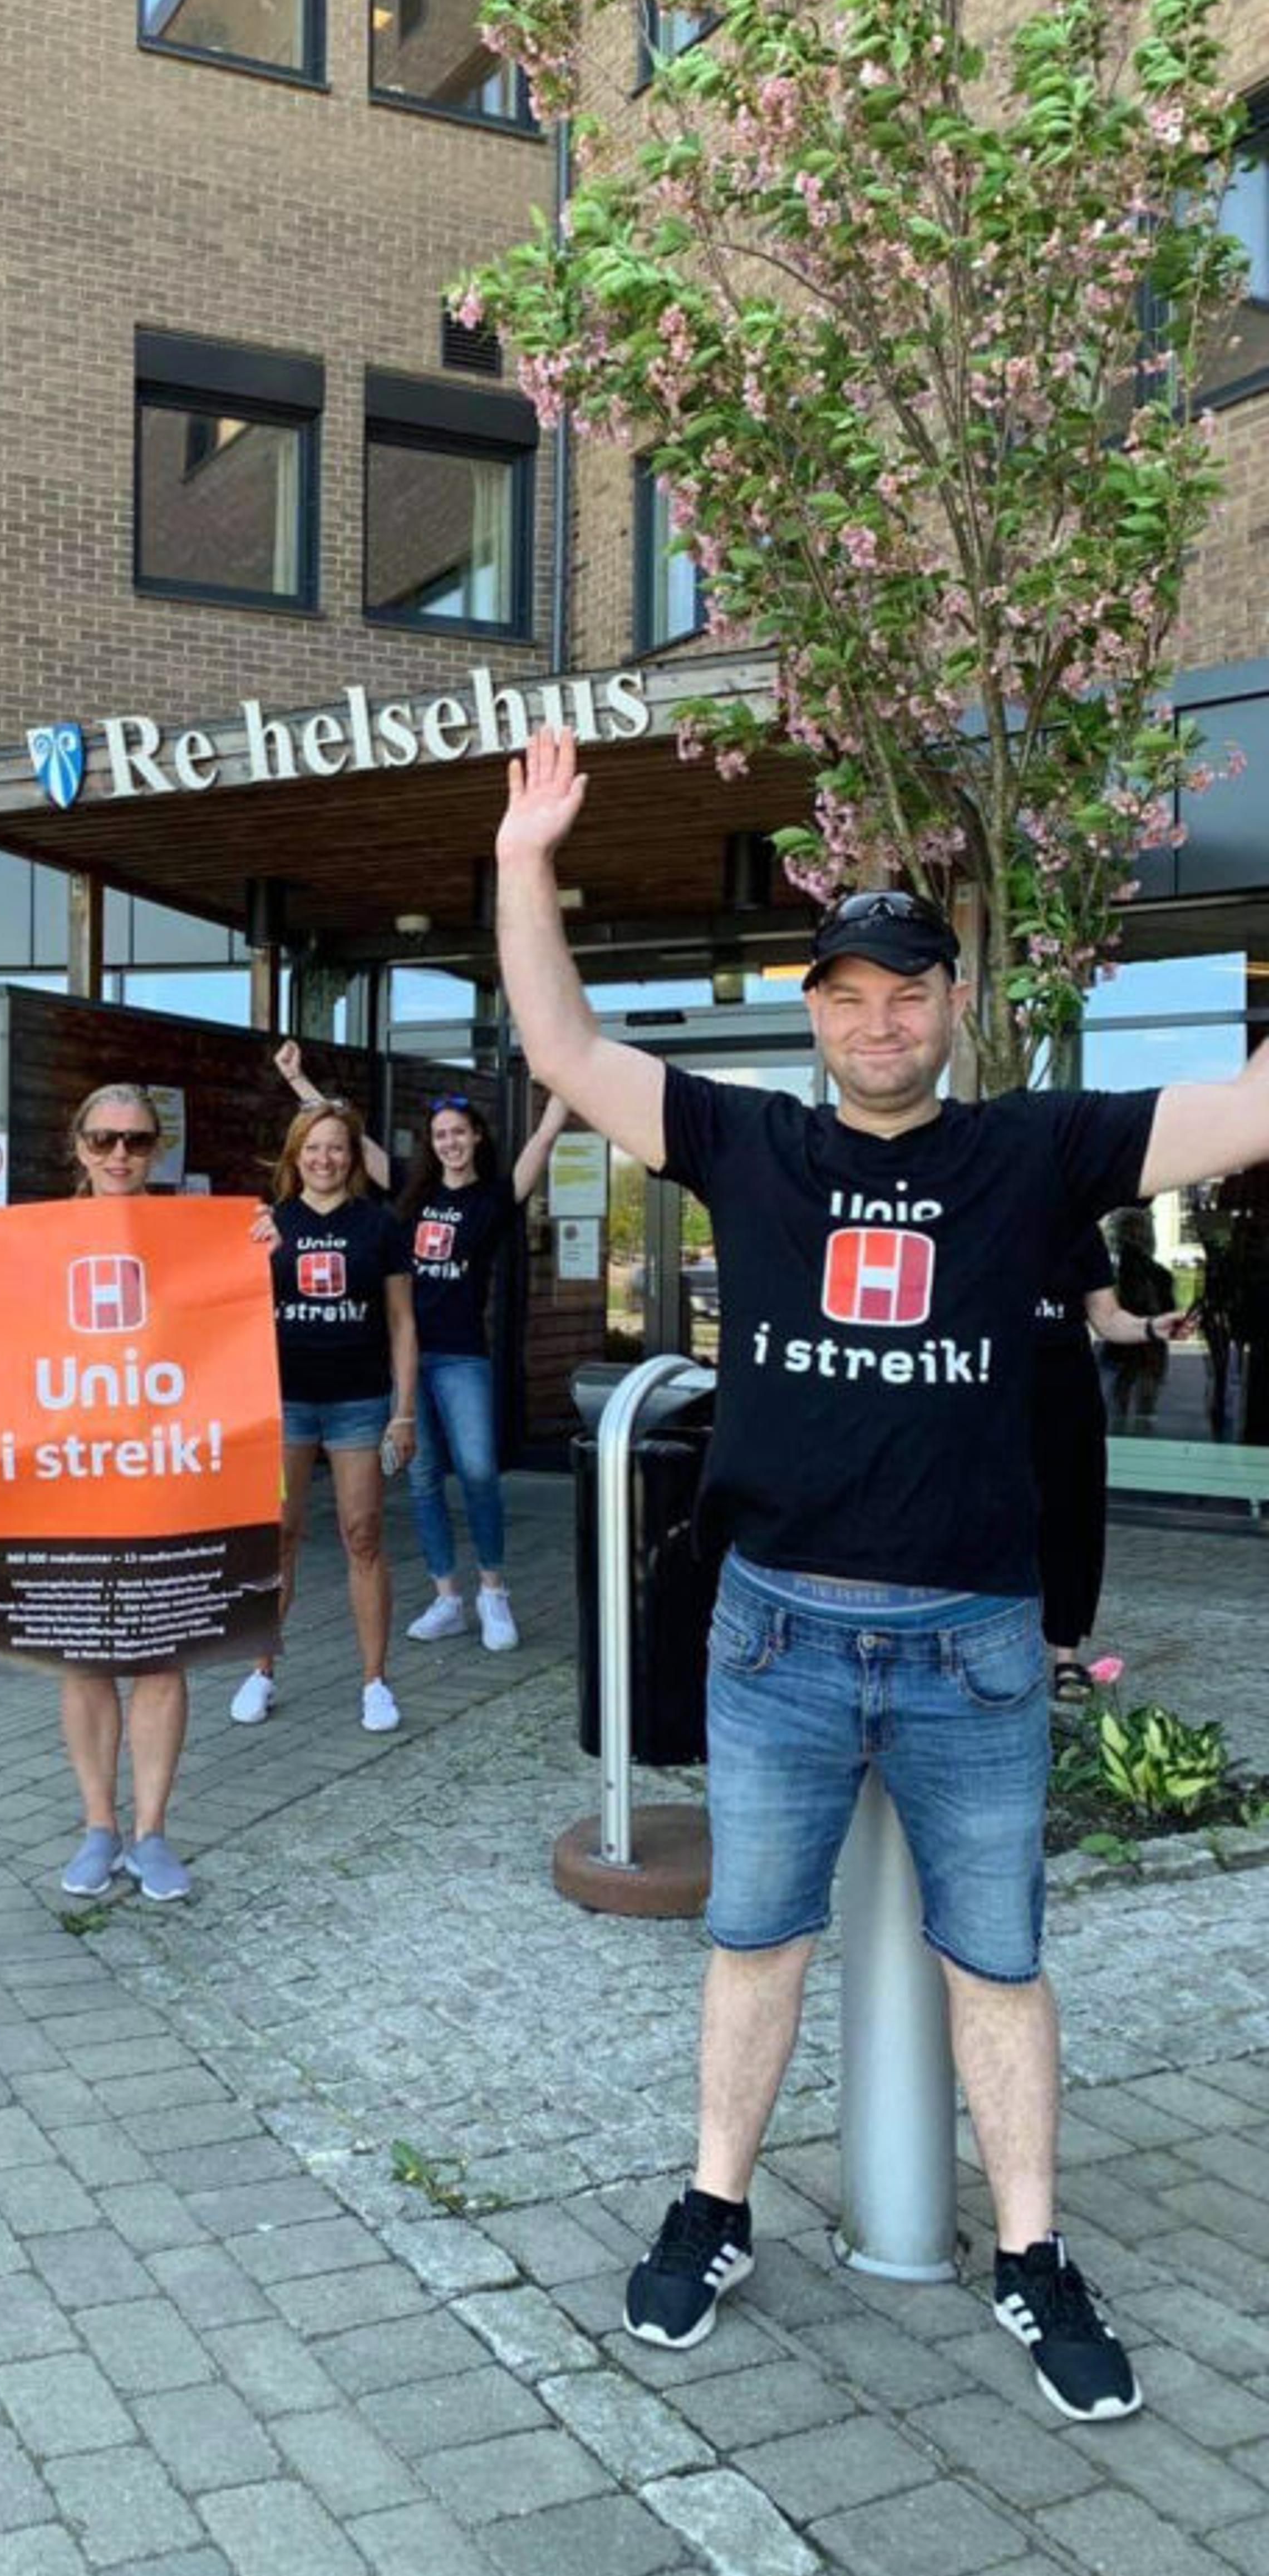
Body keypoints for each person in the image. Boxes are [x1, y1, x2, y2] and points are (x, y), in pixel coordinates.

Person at [498, 723, 1269, 2424]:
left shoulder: (1030, 1152)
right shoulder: (749, 1145)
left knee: (994, 1958)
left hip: (971, 1647)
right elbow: (559, 1042)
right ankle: (714, 2206)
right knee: (754, 1940)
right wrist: (521, 859)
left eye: (904, 992)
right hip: (776, 1635)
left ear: (949, 1003)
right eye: (846, 994)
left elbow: (1247, 1110)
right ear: (817, 1011)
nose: (877, 1020)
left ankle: (1031, 2250)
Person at [0, 1084, 278, 1903]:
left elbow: (229, 1333)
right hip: (72, 1475)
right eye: (103, 1139)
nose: (119, 1154)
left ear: (158, 1147)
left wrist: (260, 1250)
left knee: (164, 1656)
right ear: (77, 1144)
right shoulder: (29, 1240)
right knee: (83, 1656)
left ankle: (152, 1833)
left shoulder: (200, 1239)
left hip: (168, 1474)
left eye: (136, 1139)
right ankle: (99, 1827)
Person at [230, 1098, 416, 1736]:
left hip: (358, 1403)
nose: (324, 1158)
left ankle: (374, 1682)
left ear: (352, 1155)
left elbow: (402, 1323)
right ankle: (261, 1669)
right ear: (295, 1155)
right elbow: (225, 1304)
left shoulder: (380, 1224)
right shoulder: (269, 1223)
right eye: (312, 1147)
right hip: (284, 1404)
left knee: (362, 1534)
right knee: (278, 1535)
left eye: (336, 1146)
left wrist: (405, 1412)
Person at [394, 1089, 568, 1652]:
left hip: (461, 1355)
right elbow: (352, 1143)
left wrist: (564, 1084)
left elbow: (543, 1139)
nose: (450, 1142)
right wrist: (302, 1085)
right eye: (440, 1134)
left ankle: (493, 1592)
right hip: (407, 1357)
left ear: (476, 1137)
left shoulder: (493, 1198)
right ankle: (447, 1598)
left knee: (478, 1471)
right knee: (422, 1477)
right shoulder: (414, 1194)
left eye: (458, 1132)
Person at [1034, 1226, 1188, 1698]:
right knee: (989, 1519)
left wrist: (1150, 1328)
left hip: (1066, 1394)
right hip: (991, 1390)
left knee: (1069, 1521)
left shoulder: (1079, 1233)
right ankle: (983, 1649)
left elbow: (1106, 1318)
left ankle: (1065, 1655)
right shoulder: (986, 1212)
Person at [1100, 1207, 1178, 1433]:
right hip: (1137, 1341)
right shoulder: (1151, 1274)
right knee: (1135, 1394)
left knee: (1130, 1393)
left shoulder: (1135, 1273)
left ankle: (1130, 1430)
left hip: (1138, 1341)